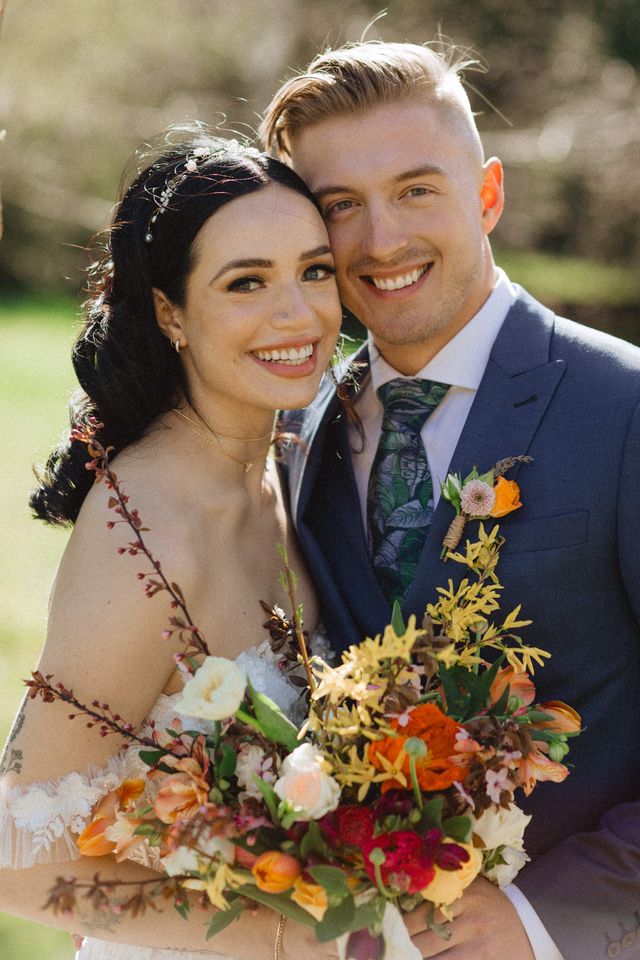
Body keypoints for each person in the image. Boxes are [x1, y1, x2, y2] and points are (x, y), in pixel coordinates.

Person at [260, 41, 640, 960]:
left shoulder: (624, 408)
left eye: (416, 189)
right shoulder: (289, 424)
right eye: (339, 206)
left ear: (488, 195)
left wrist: (551, 922)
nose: (380, 240)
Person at [0, 130, 352, 960]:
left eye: (315, 270)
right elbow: (19, 864)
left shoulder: (289, 460)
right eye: (246, 283)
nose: (298, 313)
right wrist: (295, 935)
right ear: (170, 314)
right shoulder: (145, 535)